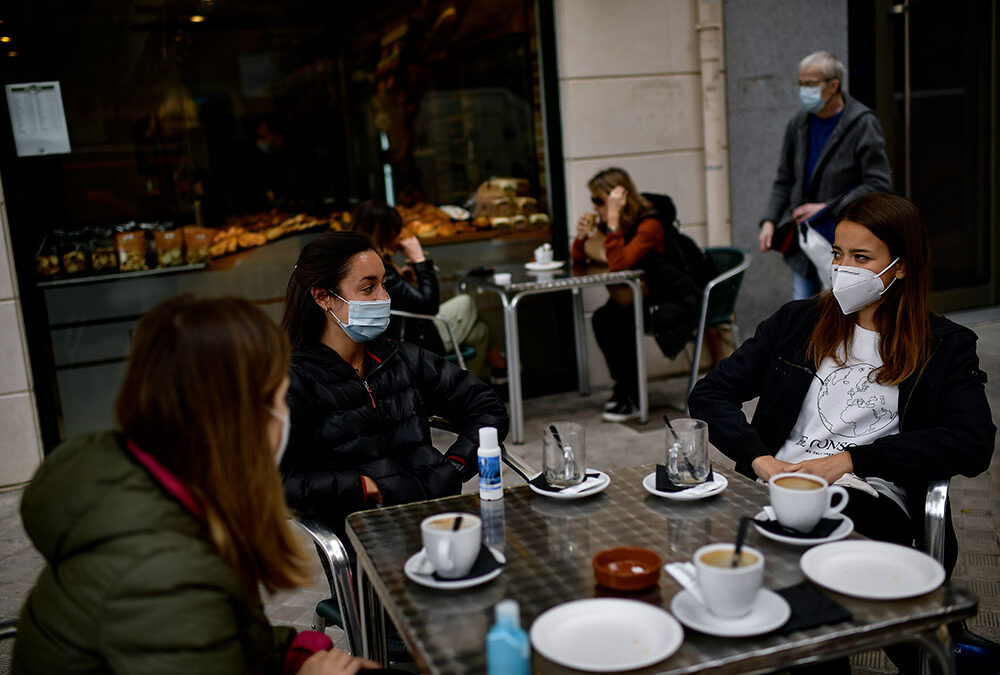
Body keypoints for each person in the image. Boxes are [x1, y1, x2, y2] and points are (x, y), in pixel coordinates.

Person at [690, 193, 995, 672]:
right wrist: (759, 460)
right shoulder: (797, 323)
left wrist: (852, 461)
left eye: (860, 258)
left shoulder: (945, 347)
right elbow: (709, 395)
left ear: (901, 268)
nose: (842, 268)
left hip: (867, 495)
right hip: (777, 484)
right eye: (837, 253)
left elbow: (974, 442)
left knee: (802, 584)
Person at [13, 295, 381, 675]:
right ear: (241, 417)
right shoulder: (165, 570)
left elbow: (216, 639)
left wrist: (292, 656)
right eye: (278, 395)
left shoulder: (150, 486)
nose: (286, 411)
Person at [279, 231, 508, 539]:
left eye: (383, 284)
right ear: (323, 297)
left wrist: (456, 466)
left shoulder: (399, 357)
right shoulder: (295, 381)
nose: (383, 298)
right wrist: (365, 488)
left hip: (440, 519)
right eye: (368, 288)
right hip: (368, 535)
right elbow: (278, 482)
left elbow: (486, 406)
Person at [572, 167, 706, 423]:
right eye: (594, 201)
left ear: (619, 201)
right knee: (603, 318)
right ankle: (624, 388)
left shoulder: (650, 224)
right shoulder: (621, 223)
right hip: (647, 297)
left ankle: (632, 397)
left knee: (621, 322)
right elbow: (579, 261)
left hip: (677, 301)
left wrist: (612, 220)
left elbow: (619, 264)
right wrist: (580, 239)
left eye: (600, 201)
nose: (596, 206)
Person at [758, 50, 892, 300]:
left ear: (833, 86)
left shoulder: (862, 123)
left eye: (810, 84)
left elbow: (878, 183)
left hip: (844, 242)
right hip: (805, 242)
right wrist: (769, 221)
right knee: (802, 314)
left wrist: (825, 208)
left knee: (840, 314)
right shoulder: (798, 124)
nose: (803, 90)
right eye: (800, 83)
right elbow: (784, 179)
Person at [350, 200, 503, 381]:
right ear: (384, 232)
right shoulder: (379, 268)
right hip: (413, 337)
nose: (399, 236)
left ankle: (464, 396)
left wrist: (405, 278)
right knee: (467, 303)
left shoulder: (362, 261)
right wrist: (419, 259)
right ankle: (495, 371)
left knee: (480, 332)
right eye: (396, 230)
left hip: (409, 329)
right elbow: (429, 306)